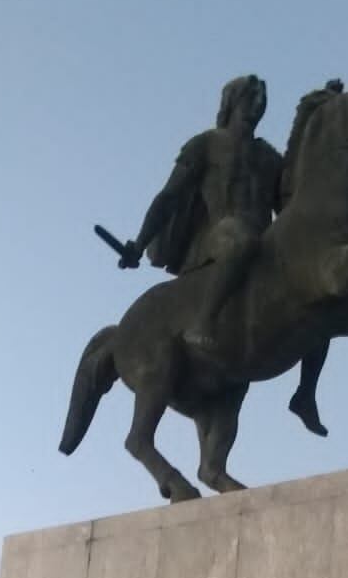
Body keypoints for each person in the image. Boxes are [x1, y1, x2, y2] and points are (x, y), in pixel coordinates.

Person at [118, 75, 329, 436]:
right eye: (250, 100)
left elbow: (288, 204)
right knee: (242, 240)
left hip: (264, 245)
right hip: (220, 234)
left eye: (262, 102)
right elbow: (169, 196)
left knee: (321, 297)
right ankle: (203, 321)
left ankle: (305, 393)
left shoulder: (267, 156)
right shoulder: (206, 145)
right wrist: (139, 242)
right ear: (232, 103)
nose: (256, 108)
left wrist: (316, 119)